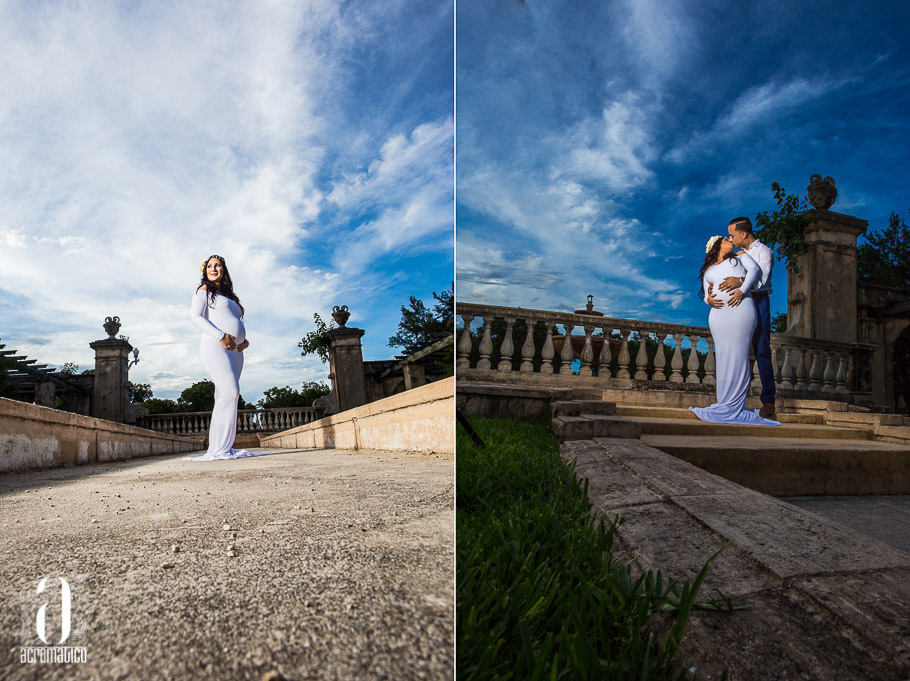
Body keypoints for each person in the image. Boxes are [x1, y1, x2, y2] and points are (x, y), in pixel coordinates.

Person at [183, 255, 268, 461]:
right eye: (210, 266)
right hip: (214, 346)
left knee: (226, 395)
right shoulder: (204, 290)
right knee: (231, 390)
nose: (214, 268)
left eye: (218, 265)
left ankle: (222, 447)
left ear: (224, 269)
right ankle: (219, 449)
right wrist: (221, 336)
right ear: (205, 271)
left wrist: (244, 340)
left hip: (236, 352)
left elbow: (234, 321)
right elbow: (196, 317)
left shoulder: (230, 296)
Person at [691, 235, 780, 426]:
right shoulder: (709, 269)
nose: (729, 239)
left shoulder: (741, 257)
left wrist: (742, 290)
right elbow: (706, 294)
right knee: (723, 357)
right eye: (724, 238)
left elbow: (755, 271)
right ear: (716, 246)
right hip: (718, 317)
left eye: (730, 236)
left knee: (740, 356)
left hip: (741, 311)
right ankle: (724, 402)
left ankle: (735, 406)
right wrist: (709, 301)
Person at [708, 216, 776, 419]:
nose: (730, 238)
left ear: (743, 234)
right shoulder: (738, 254)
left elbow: (762, 280)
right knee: (736, 352)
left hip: (757, 301)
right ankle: (734, 401)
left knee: (761, 349)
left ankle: (768, 401)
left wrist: (739, 281)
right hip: (735, 305)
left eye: (732, 235)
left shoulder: (764, 252)